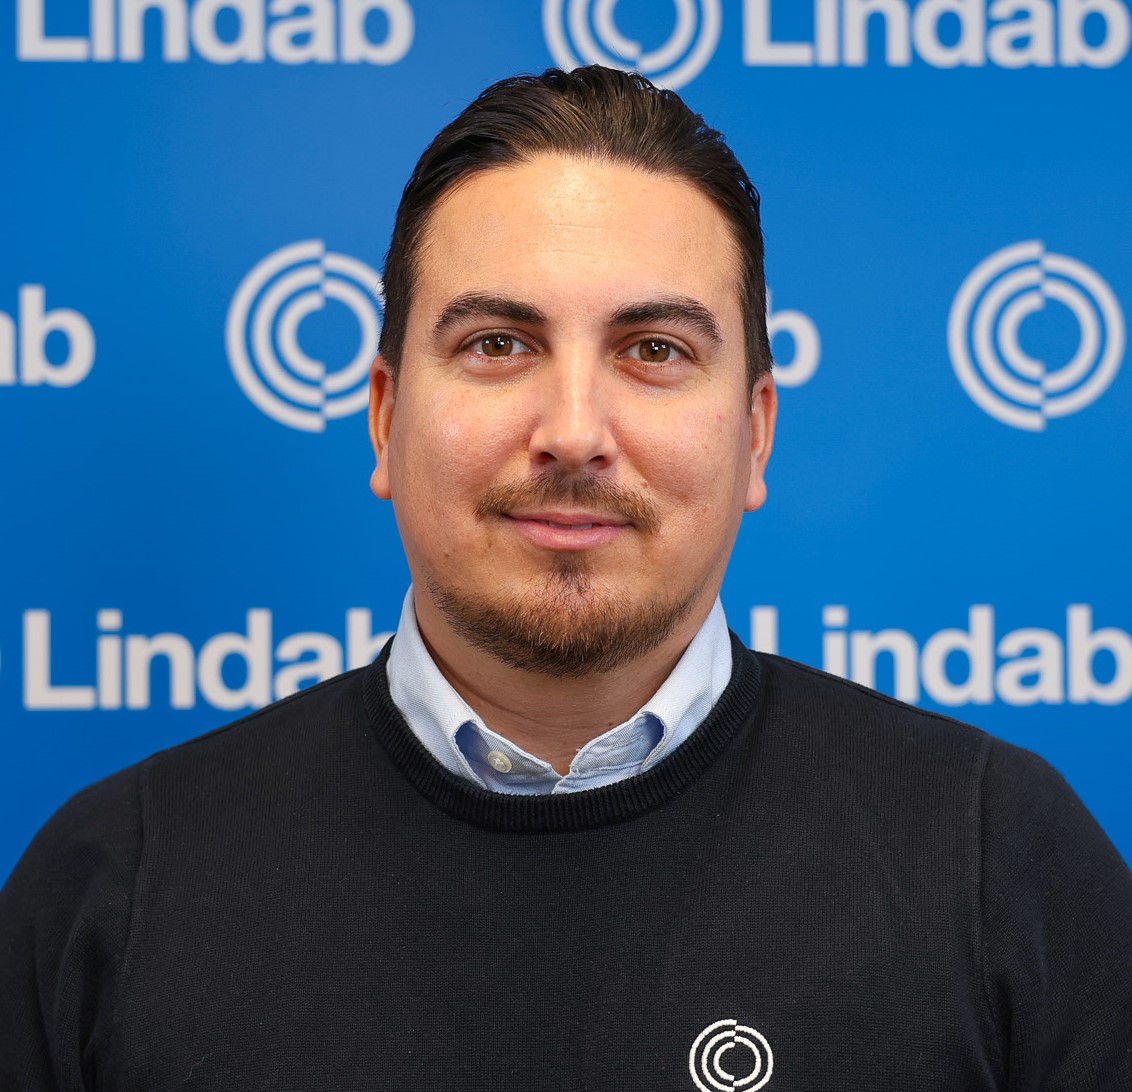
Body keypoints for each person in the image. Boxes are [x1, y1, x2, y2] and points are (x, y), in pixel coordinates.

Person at [2, 66, 1130, 1092]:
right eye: (498, 344)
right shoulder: (112, 890)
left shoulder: (997, 861)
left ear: (755, 435)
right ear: (386, 418)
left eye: (654, 350)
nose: (575, 431)